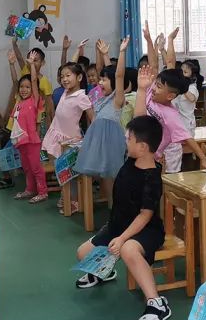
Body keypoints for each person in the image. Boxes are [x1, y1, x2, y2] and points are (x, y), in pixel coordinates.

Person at [75, 115, 172, 320]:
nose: (125, 141)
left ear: (143, 147)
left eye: (129, 138)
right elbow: (139, 117)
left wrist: (122, 239)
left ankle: (157, 304)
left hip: (146, 230)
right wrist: (116, 234)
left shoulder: (151, 177)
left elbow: (145, 216)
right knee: (82, 254)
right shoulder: (131, 159)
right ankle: (106, 272)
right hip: (118, 227)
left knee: (128, 249)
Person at [133, 65, 206, 173]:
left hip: (150, 160)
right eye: (155, 84)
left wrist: (204, 159)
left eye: (159, 86)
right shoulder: (151, 94)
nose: (153, 88)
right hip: (135, 151)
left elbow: (188, 138)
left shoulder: (171, 115)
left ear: (170, 96)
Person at [75, 37, 133, 189]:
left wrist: (122, 52)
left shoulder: (117, 99)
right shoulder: (102, 98)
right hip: (97, 141)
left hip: (112, 142)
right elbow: (111, 73)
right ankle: (110, 202)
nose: (100, 82)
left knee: (114, 177)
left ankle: (117, 201)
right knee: (105, 178)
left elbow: (118, 75)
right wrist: (105, 54)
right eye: (100, 79)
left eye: (104, 80)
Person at [42, 62, 95, 213]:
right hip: (56, 135)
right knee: (60, 170)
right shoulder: (65, 92)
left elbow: (93, 118)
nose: (64, 79)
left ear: (79, 77)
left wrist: (91, 137)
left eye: (68, 76)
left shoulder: (81, 97)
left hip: (70, 140)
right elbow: (71, 66)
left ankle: (74, 201)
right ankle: (65, 196)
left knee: (70, 173)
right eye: (62, 76)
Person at [10, 63, 48, 204]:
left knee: (36, 168)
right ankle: (30, 189)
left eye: (28, 87)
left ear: (33, 88)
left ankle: (43, 192)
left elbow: (33, 80)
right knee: (27, 168)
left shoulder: (34, 101)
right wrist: (11, 64)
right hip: (21, 142)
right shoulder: (18, 103)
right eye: (22, 87)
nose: (24, 89)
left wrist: (32, 64)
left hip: (32, 141)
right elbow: (14, 81)